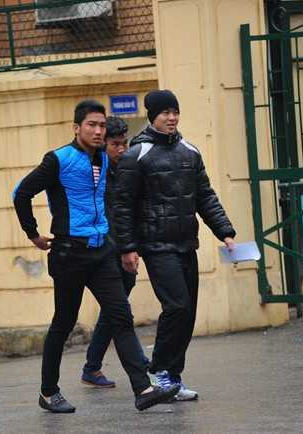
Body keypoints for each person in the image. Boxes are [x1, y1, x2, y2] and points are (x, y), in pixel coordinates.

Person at [12, 100, 179, 413]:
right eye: (92, 125)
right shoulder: (58, 159)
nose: (98, 131)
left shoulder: (103, 157)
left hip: (102, 252)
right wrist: (33, 234)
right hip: (69, 253)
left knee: (121, 316)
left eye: (102, 125)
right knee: (64, 323)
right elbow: (21, 193)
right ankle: (49, 392)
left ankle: (143, 389)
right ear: (77, 128)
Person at [114, 90, 236, 401]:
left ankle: (174, 377)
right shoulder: (137, 154)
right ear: (152, 116)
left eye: (175, 112)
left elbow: (205, 196)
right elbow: (123, 205)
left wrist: (224, 231)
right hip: (156, 246)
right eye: (165, 112)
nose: (172, 118)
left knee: (187, 312)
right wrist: (128, 247)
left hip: (185, 243)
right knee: (177, 306)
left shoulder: (189, 151)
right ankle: (160, 371)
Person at [81, 116, 150, 389]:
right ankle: (139, 364)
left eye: (124, 144)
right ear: (103, 145)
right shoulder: (95, 174)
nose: (121, 149)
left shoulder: (125, 169)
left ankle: (92, 366)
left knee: (113, 311)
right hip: (107, 250)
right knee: (119, 311)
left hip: (125, 248)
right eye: (115, 145)